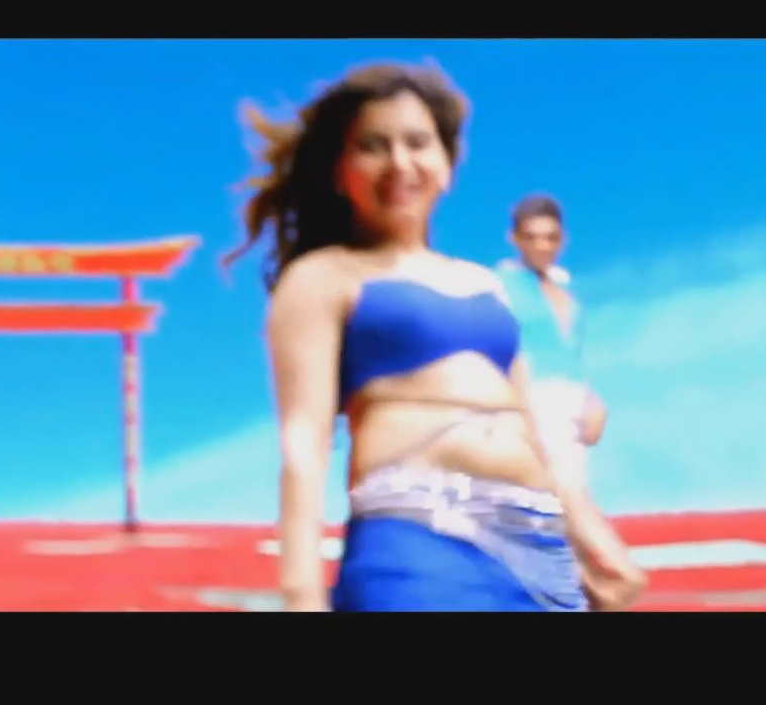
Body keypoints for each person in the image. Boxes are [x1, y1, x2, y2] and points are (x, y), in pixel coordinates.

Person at [221, 62, 646, 612]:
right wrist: (302, 595)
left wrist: (596, 541)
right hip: (417, 544)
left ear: (447, 164)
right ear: (339, 171)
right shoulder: (322, 278)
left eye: (418, 143)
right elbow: (304, 443)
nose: (400, 163)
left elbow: (533, 432)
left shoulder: (488, 286)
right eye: (372, 146)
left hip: (533, 551)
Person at [495, 195, 608, 491]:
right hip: (529, 402)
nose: (542, 246)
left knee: (573, 495)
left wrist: (593, 401)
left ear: (563, 240)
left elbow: (572, 354)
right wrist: (521, 417)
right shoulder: (500, 286)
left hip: (573, 409)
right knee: (542, 500)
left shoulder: (566, 288)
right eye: (531, 237)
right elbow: (499, 353)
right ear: (514, 239)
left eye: (550, 238)